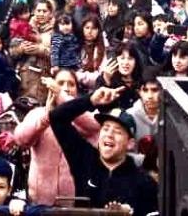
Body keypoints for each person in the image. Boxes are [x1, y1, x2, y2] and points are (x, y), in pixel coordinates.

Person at [50, 85, 159, 216]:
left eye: (117, 131)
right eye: (106, 128)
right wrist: (90, 100)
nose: (109, 134)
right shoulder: (84, 158)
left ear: (130, 144)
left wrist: (130, 213)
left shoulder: (144, 182)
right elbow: (57, 118)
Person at [12, 68, 99, 206]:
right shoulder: (37, 114)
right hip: (40, 203)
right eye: (60, 83)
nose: (65, 88)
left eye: (71, 84)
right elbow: (21, 140)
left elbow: (95, 126)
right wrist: (46, 117)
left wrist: (62, 97)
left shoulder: (84, 117)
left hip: (74, 202)